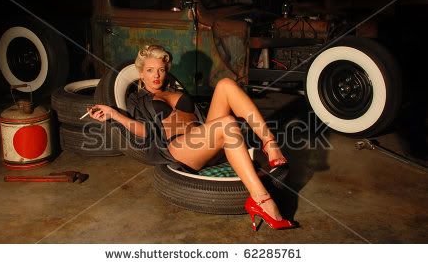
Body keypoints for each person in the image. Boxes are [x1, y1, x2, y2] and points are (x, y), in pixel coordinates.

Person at [88, 45, 297, 231]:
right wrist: (114, 114)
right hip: (181, 149)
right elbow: (145, 131)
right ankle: (261, 199)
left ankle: (269, 142)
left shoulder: (174, 89)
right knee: (227, 124)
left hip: (203, 137)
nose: (156, 75)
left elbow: (200, 117)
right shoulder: (137, 99)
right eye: (150, 70)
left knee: (225, 84)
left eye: (161, 69)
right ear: (141, 74)